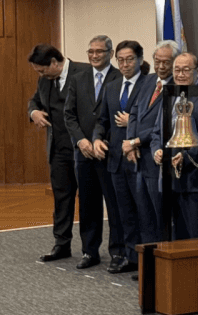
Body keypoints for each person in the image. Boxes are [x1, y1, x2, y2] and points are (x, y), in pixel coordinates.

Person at [63, 35, 122, 270]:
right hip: (84, 153)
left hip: (110, 153)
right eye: (91, 52)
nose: (95, 55)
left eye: (99, 51)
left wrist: (101, 142)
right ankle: (89, 251)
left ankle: (118, 252)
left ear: (110, 52)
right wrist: (81, 142)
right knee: (88, 204)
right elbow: (69, 115)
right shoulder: (78, 79)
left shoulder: (120, 77)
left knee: (115, 205)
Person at [28, 44, 89, 263]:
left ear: (55, 62)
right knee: (62, 200)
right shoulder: (44, 80)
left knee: (88, 200)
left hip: (84, 149)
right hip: (58, 150)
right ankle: (61, 244)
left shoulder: (84, 72)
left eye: (42, 70)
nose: (40, 75)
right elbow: (34, 100)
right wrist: (33, 111)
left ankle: (89, 250)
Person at [92, 40, 149, 274]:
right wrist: (96, 138)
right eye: (121, 60)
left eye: (130, 59)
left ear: (140, 59)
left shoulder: (150, 84)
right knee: (123, 212)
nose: (125, 64)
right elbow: (102, 120)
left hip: (142, 158)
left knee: (144, 212)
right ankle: (129, 256)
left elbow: (157, 119)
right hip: (115, 159)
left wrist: (132, 122)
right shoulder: (112, 87)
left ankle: (148, 258)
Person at [152, 52, 198, 240]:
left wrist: (186, 156)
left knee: (197, 237)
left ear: (197, 72)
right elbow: (156, 132)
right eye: (177, 70)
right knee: (173, 238)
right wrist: (156, 150)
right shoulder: (169, 96)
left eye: (186, 70)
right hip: (168, 180)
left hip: (193, 181)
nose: (180, 74)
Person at [125, 40, 180, 243]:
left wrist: (137, 141)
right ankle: (150, 265)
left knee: (162, 216)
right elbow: (134, 111)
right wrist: (130, 141)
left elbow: (163, 125)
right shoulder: (149, 80)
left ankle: (165, 264)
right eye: (157, 61)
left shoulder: (178, 87)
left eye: (166, 62)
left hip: (157, 159)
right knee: (144, 215)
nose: (161, 67)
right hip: (139, 159)